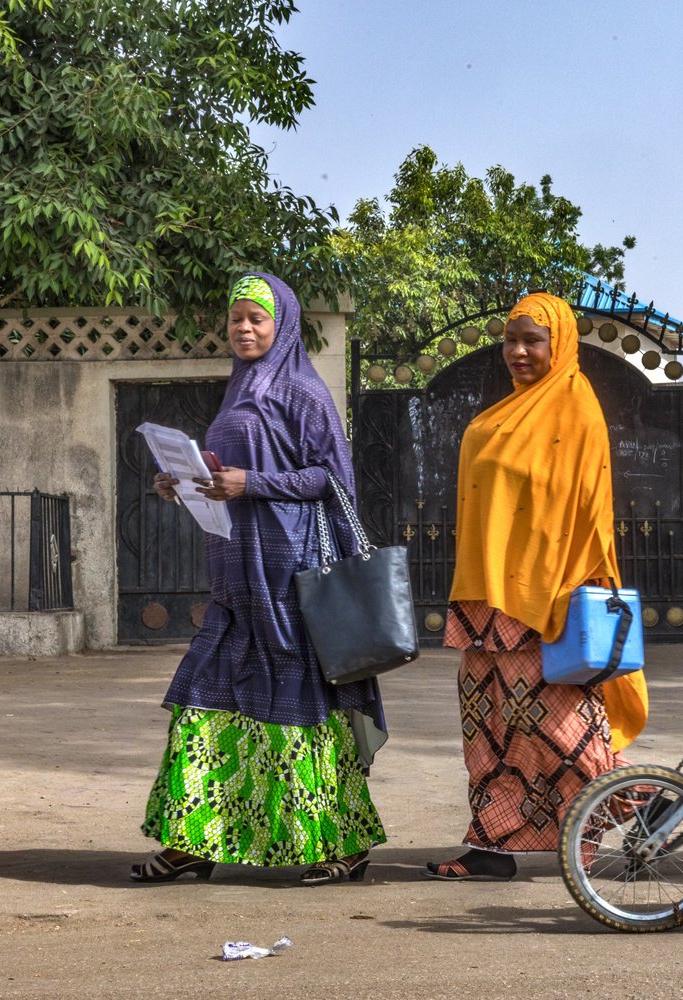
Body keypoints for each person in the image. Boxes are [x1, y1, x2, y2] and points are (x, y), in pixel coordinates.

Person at [133, 272, 387, 886]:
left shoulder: (303, 392)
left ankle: (342, 843)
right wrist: (183, 482)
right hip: (234, 578)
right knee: (205, 699)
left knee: (301, 709)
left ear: (284, 325)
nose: (243, 329)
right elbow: (228, 473)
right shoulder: (238, 389)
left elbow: (331, 479)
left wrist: (254, 483)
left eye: (257, 319)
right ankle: (192, 841)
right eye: (235, 319)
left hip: (289, 579)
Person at [423, 291, 648, 881]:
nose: (518, 351)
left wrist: (564, 591)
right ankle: (492, 845)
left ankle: (633, 805)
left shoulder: (576, 409)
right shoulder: (503, 413)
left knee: (559, 727)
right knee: (487, 723)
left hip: (545, 597)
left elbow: (588, 511)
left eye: (533, 340)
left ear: (560, 343)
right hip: (482, 594)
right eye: (510, 340)